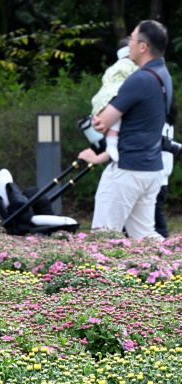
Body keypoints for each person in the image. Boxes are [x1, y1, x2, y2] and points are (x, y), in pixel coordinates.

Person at [78, 20, 172, 240]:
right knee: (145, 236)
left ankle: (102, 276)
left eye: (132, 38)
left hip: (127, 170)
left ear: (143, 47)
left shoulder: (138, 79)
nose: (128, 43)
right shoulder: (163, 75)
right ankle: (173, 267)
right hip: (152, 169)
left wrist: (97, 119)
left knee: (102, 237)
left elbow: (101, 122)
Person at [89, 37, 139, 163]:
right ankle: (111, 145)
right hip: (116, 95)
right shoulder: (132, 66)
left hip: (103, 98)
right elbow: (139, 78)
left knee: (114, 122)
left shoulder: (113, 68)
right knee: (118, 118)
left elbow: (105, 80)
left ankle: (111, 143)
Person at [155, 98, 177, 238]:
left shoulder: (158, 124)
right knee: (156, 215)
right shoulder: (169, 124)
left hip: (157, 174)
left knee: (157, 221)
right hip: (163, 176)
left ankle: (166, 246)